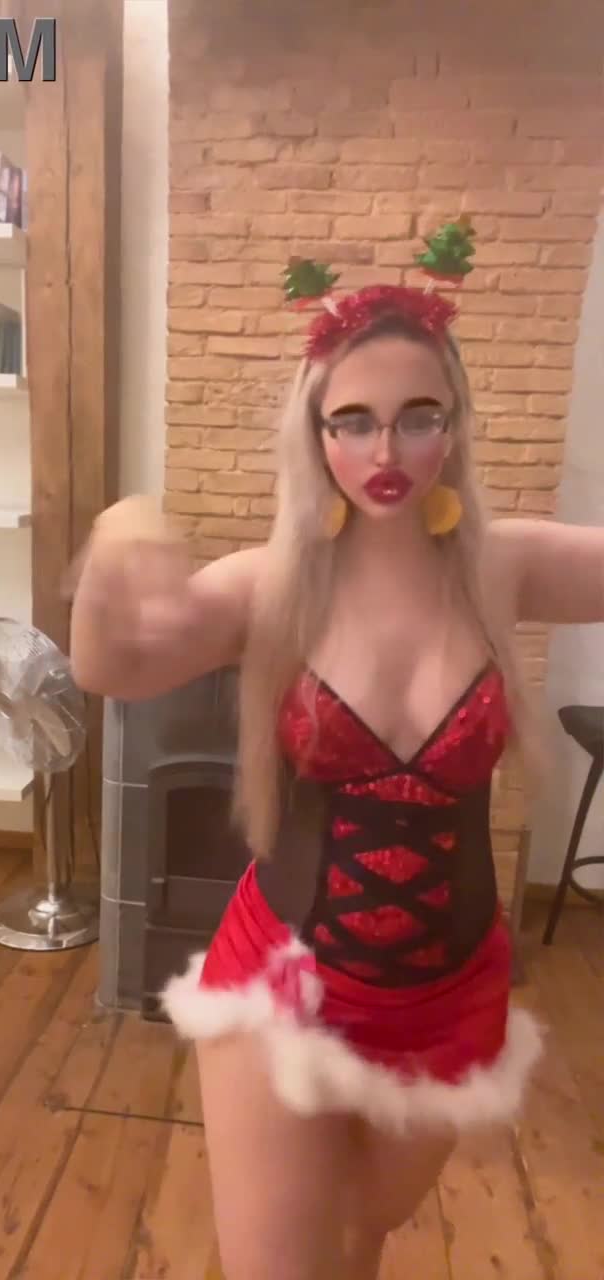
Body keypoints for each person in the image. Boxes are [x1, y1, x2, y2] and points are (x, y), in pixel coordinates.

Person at [69, 247, 604, 1280]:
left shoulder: (506, 565)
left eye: (418, 415)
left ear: (456, 424)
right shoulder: (269, 584)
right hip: (284, 980)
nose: (385, 447)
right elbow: (110, 669)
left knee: (363, 1232)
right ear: (314, 434)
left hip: (451, 995)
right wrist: (113, 544)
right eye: (352, 419)